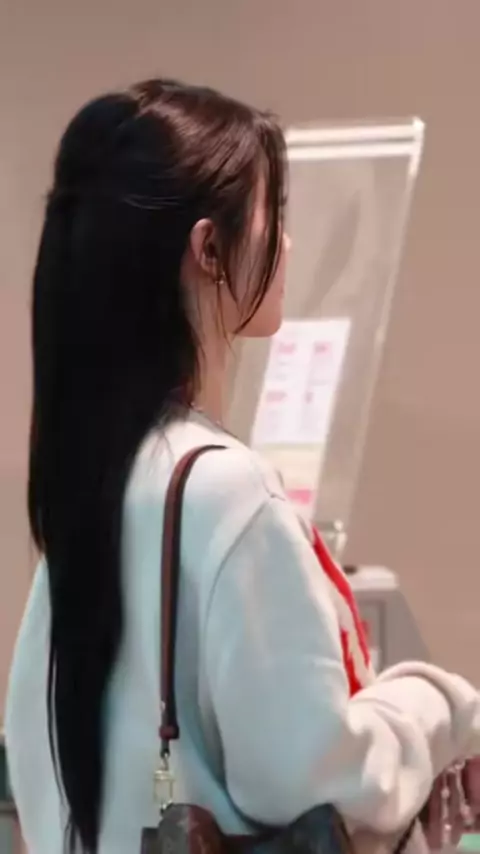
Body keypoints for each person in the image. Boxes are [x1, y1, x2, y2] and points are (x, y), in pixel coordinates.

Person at [4, 78, 480, 854]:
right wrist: (435, 705)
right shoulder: (229, 492)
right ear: (209, 249)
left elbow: (35, 753)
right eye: (273, 214)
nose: (287, 244)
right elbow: (316, 779)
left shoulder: (95, 483)